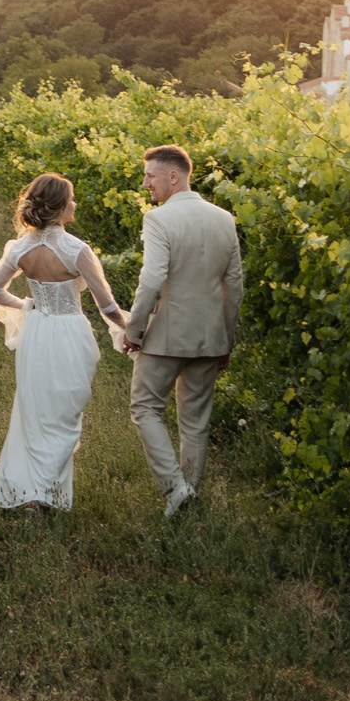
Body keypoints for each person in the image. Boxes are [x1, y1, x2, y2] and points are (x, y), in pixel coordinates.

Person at [0, 172, 127, 510]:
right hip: (69, 333)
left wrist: (28, 306)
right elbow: (106, 304)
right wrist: (129, 328)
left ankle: (34, 489)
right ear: (61, 207)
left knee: (37, 411)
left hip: (38, 332)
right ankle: (44, 491)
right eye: (71, 199)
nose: (75, 204)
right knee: (65, 409)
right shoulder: (77, 251)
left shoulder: (22, 248)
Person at [117, 144, 244, 518]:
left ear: (174, 176)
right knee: (196, 420)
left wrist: (134, 329)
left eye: (150, 176)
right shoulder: (224, 219)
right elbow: (234, 285)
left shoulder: (159, 220)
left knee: (144, 408)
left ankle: (174, 486)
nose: (146, 184)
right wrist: (227, 339)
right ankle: (189, 493)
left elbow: (152, 278)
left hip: (165, 336)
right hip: (210, 336)